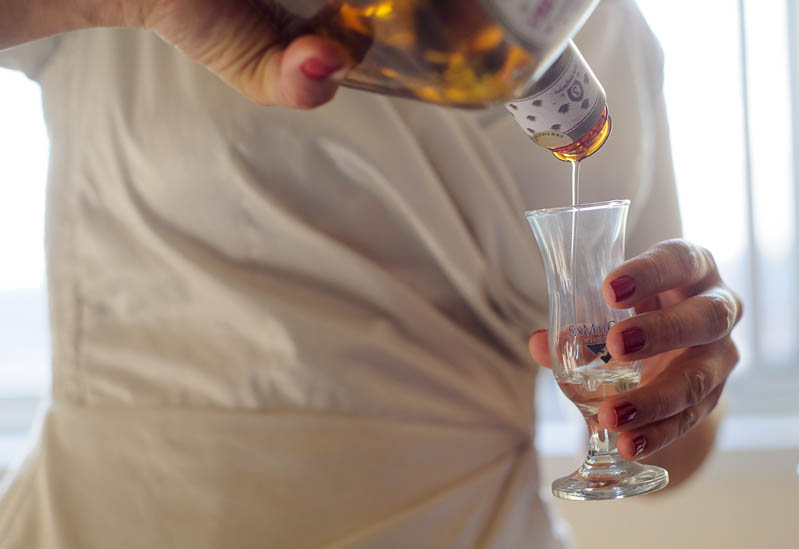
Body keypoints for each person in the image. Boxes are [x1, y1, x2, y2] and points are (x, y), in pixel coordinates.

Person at [0, 0, 742, 547]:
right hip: (122, 516)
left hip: (470, 525)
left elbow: (677, 450)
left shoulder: (608, 31)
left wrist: (677, 372)